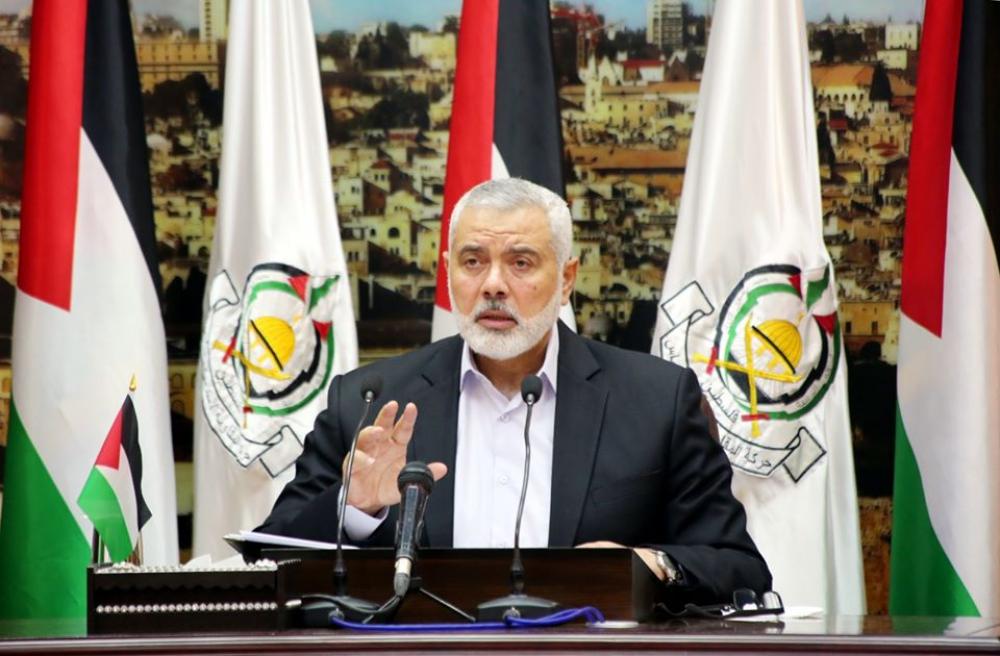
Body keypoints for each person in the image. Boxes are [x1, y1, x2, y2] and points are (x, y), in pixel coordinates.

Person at [260, 178, 771, 603]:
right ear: (448, 272)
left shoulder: (657, 400)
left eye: (521, 262)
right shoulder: (368, 403)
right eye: (473, 261)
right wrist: (354, 509)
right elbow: (268, 560)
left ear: (566, 278)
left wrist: (652, 563)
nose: (493, 285)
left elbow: (738, 566)